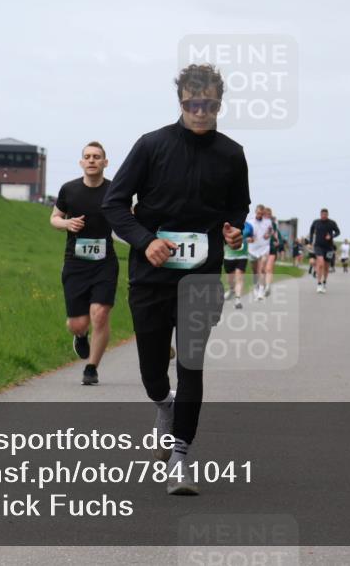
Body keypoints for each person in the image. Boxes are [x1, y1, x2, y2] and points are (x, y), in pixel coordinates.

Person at [103, 64, 249, 495]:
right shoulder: (151, 146)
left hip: (202, 274)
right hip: (151, 275)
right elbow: (114, 203)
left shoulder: (232, 153)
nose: (200, 111)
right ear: (180, 101)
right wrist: (145, 241)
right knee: (153, 370)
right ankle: (162, 404)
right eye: (192, 103)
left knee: (191, 363)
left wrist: (235, 228)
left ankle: (180, 459)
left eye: (209, 104)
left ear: (220, 103)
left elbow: (239, 205)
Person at [50, 142, 118, 385]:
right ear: (81, 162)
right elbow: (54, 218)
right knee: (77, 323)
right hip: (75, 262)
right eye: (87, 156)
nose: (91, 160)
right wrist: (67, 224)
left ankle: (91, 368)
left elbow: (128, 216)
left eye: (97, 157)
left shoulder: (114, 190)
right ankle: (81, 336)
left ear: (105, 163)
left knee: (100, 314)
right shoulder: (69, 189)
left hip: (105, 261)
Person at [245, 204, 273, 300]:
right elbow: (246, 234)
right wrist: (248, 238)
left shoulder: (268, 222)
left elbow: (270, 231)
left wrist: (268, 234)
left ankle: (261, 291)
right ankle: (255, 287)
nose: (260, 215)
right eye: (258, 213)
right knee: (255, 271)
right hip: (252, 249)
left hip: (264, 248)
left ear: (263, 213)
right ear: (255, 212)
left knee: (261, 269)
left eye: (261, 213)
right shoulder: (250, 222)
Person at [309, 208, 340, 293]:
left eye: (325, 215)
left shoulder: (332, 223)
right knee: (321, 263)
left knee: (326, 267)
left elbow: (338, 232)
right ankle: (319, 283)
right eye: (322, 214)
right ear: (320, 214)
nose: (323, 216)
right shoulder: (316, 222)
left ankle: (324, 283)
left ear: (327, 215)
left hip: (329, 247)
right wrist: (311, 241)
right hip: (318, 246)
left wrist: (331, 236)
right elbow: (311, 230)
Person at [264, 207, 279, 296]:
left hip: (271, 248)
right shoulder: (259, 223)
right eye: (266, 214)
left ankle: (268, 287)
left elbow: (275, 234)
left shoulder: (273, 224)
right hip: (261, 249)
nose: (267, 216)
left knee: (269, 268)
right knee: (262, 269)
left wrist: (277, 241)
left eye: (269, 215)